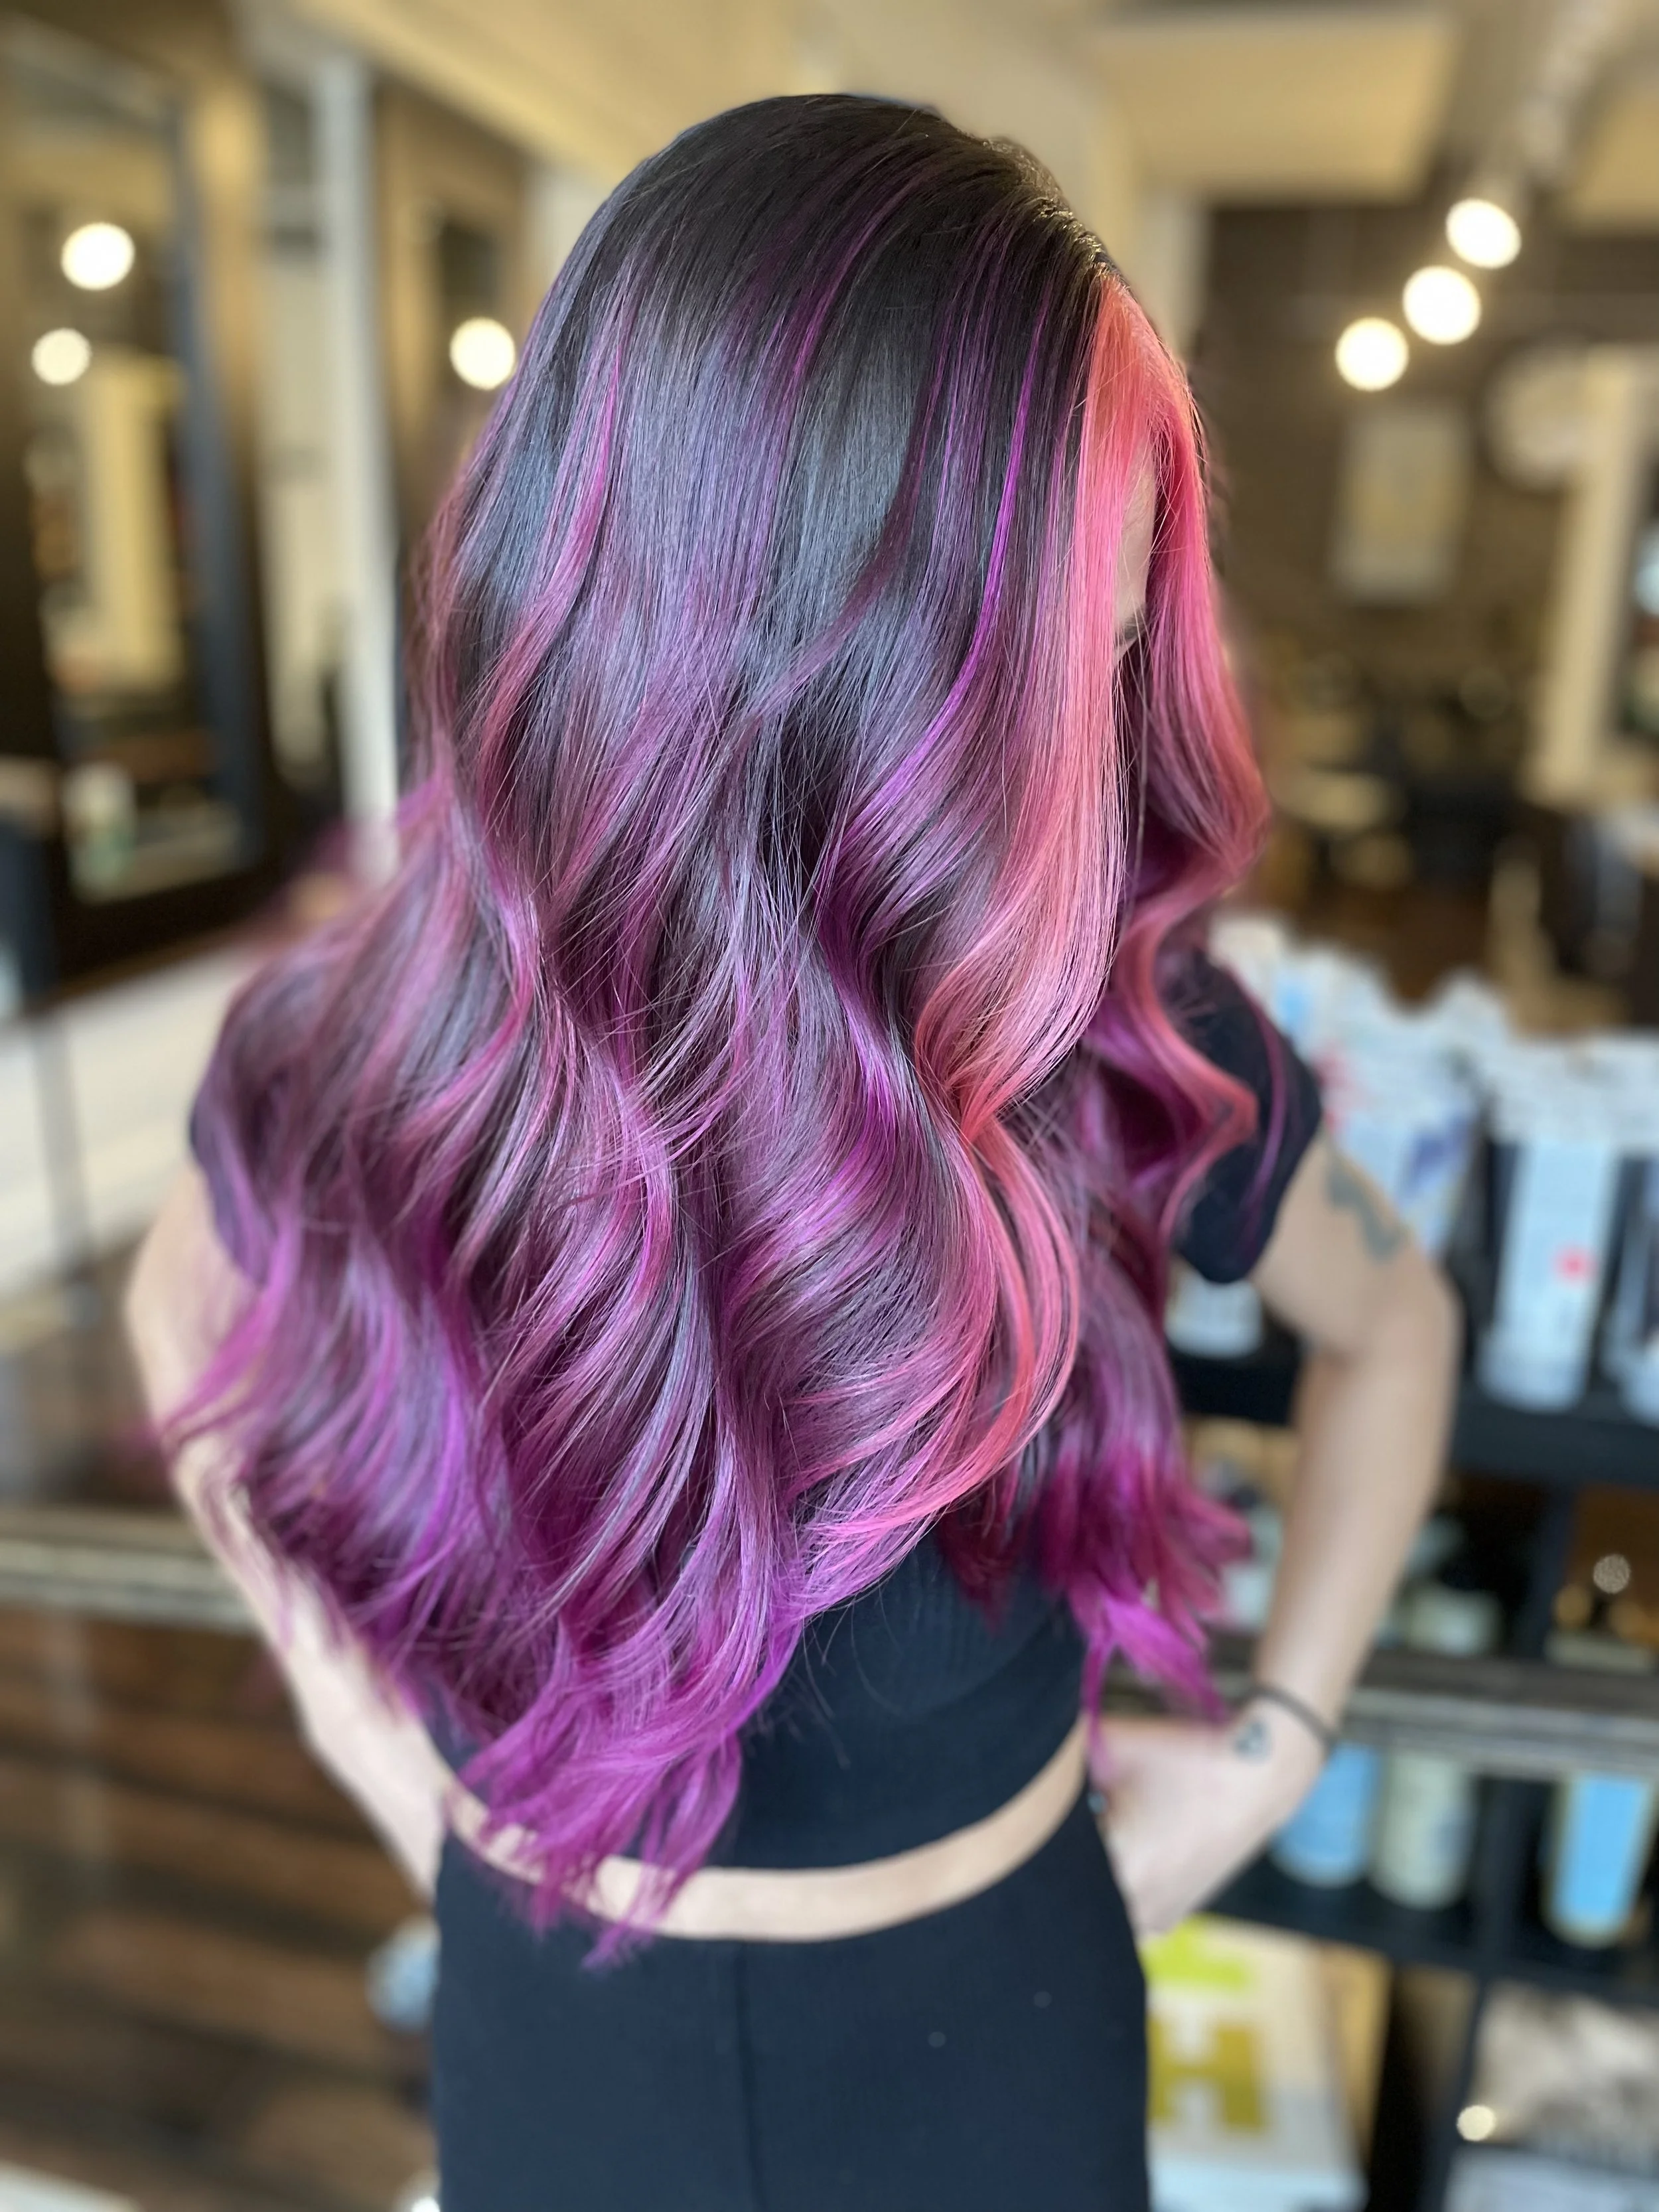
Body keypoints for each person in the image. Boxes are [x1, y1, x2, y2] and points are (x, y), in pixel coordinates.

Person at [124, 95, 1459, 2212]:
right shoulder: (371, 1040)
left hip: (988, 2035)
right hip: (546, 2014)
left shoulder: (1113, 1041)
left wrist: (1272, 1757)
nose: (1115, 712)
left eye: (1120, 636)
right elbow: (175, 1282)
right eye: (1061, 645)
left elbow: (1395, 1324)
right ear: (801, 636)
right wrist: (355, 1725)